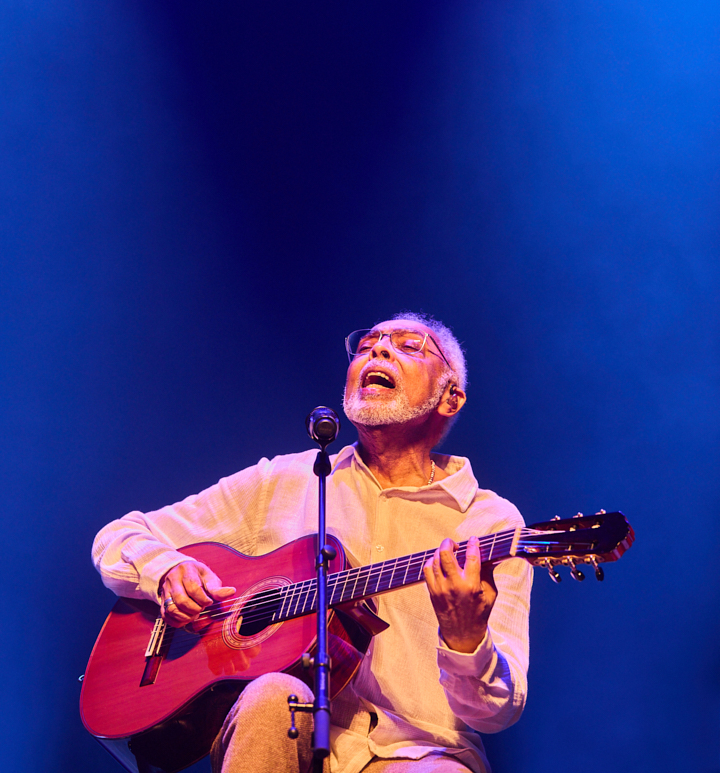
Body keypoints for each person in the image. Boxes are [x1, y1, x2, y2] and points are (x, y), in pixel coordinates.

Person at [93, 313, 532, 773]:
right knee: (272, 694)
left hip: (422, 755)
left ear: (450, 398)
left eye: (408, 346)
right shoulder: (286, 481)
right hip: (282, 739)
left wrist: (466, 640)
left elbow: (496, 713)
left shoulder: (489, 524)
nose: (378, 350)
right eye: (367, 344)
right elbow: (119, 535)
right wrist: (165, 572)